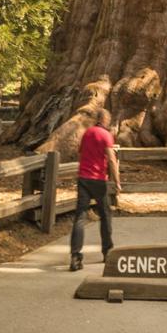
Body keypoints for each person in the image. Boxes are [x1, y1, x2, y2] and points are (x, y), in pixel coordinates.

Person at [69, 106, 119, 271]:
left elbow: (80, 152)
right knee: (105, 215)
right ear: (105, 120)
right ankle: (107, 251)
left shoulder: (87, 133)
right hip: (98, 180)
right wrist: (117, 181)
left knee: (80, 218)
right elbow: (111, 159)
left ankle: (75, 257)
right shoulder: (106, 135)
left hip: (83, 178)